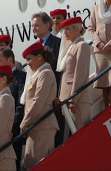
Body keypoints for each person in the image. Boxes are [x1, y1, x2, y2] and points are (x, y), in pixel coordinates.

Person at [20, 42, 59, 169]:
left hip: (43, 125)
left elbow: (38, 102)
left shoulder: (45, 73)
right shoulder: (37, 74)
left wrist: (24, 123)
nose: (28, 63)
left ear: (40, 57)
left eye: (29, 59)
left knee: (40, 165)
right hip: (36, 125)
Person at [31, 12, 63, 147]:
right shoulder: (35, 47)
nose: (34, 28)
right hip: (41, 95)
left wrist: (59, 93)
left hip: (54, 96)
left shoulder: (57, 43)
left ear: (47, 25)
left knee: (57, 132)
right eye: (32, 26)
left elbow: (61, 70)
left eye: (37, 25)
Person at [57, 17, 92, 131]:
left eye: (68, 29)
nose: (65, 32)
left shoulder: (82, 45)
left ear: (77, 29)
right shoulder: (71, 47)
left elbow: (80, 74)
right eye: (64, 30)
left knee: (81, 134)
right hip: (68, 99)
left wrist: (73, 99)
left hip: (78, 99)